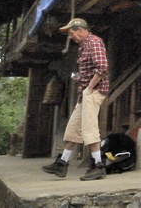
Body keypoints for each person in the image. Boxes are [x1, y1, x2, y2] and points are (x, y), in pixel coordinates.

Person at [42, 18, 110, 181]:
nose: (71, 36)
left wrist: (89, 88)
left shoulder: (94, 42)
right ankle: (62, 163)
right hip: (84, 94)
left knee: (89, 129)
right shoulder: (83, 46)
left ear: (81, 30)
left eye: (72, 33)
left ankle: (98, 166)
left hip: (92, 93)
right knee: (73, 128)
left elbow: (102, 68)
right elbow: (92, 69)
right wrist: (80, 78)